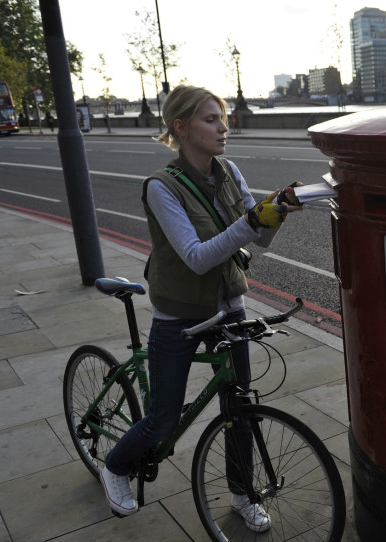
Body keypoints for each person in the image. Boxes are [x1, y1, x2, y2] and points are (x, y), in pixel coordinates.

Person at [99, 84, 302, 532]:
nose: (223, 127)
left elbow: (259, 238)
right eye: (211, 119)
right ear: (181, 126)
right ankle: (114, 467)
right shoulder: (161, 187)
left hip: (229, 308)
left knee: (240, 410)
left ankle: (240, 492)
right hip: (178, 315)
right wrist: (250, 220)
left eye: (223, 117)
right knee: (163, 419)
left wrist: (277, 210)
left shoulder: (229, 170)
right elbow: (195, 256)